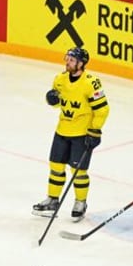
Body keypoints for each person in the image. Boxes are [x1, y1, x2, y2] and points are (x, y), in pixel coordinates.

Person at [32, 47, 109, 221]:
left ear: (81, 64)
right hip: (62, 130)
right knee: (56, 166)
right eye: (67, 59)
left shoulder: (91, 83)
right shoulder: (60, 79)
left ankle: (80, 202)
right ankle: (52, 200)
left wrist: (95, 130)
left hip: (82, 134)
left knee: (78, 171)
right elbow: (58, 103)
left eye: (72, 60)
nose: (68, 62)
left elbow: (102, 110)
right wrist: (51, 100)